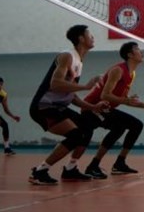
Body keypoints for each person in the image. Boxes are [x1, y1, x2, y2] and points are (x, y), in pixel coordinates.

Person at [28, 25, 107, 185]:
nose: (93, 37)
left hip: (59, 107)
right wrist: (86, 86)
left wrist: (93, 107)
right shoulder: (67, 56)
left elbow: (69, 94)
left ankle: (71, 169)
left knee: (87, 127)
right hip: (43, 107)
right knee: (76, 135)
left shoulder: (79, 61)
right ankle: (40, 171)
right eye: (89, 34)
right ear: (80, 38)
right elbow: (56, 84)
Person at [80, 41, 144, 179]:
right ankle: (95, 166)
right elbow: (105, 95)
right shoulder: (118, 70)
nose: (141, 52)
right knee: (131, 126)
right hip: (92, 107)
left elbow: (122, 98)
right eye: (138, 49)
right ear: (129, 55)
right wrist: (126, 100)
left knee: (128, 127)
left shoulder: (132, 74)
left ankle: (115, 164)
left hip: (106, 108)